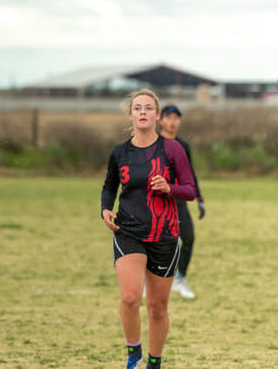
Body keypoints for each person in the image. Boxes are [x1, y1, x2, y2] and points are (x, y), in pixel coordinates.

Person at [101, 89, 196, 369]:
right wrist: (105, 209)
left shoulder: (172, 150)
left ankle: (154, 362)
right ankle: (133, 354)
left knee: (157, 308)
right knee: (130, 298)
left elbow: (190, 190)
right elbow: (109, 187)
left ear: (157, 115)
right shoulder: (120, 152)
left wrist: (170, 188)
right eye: (138, 108)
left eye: (149, 108)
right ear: (130, 115)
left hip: (165, 235)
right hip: (128, 231)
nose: (143, 112)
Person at [158, 105, 205, 300]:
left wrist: (199, 198)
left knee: (189, 238)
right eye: (169, 117)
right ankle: (149, 281)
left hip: (179, 200)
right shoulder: (153, 144)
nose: (173, 121)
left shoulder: (183, 146)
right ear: (160, 119)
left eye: (177, 118)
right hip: (158, 201)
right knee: (158, 243)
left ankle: (180, 279)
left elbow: (190, 174)